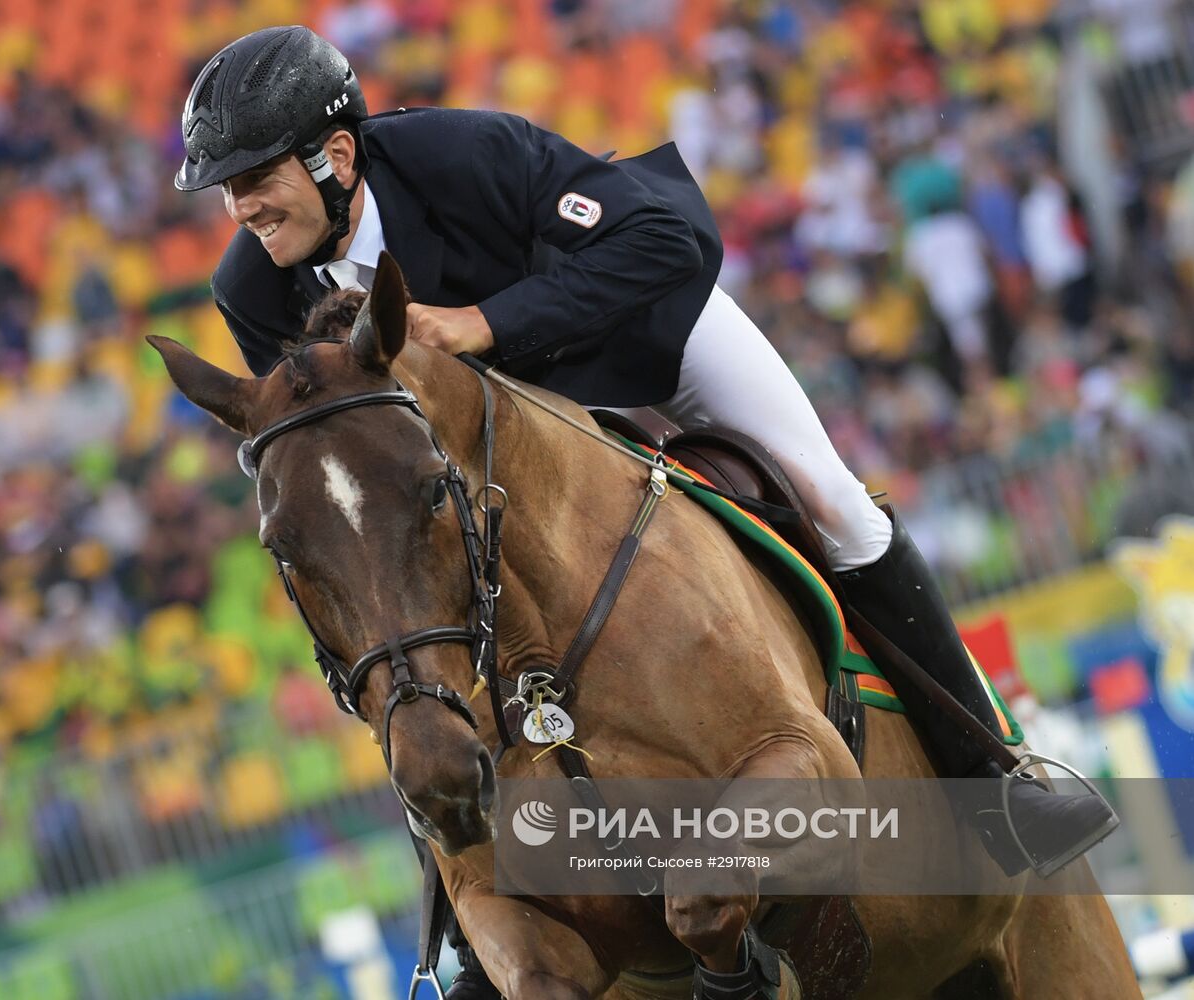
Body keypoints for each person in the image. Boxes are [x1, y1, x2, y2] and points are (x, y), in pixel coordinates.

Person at [176, 25, 1116, 997]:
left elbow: (667, 239)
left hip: (650, 347)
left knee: (833, 501)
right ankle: (467, 926)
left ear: (334, 157)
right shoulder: (254, 290)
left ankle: (994, 773)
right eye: (224, 186)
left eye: (253, 176)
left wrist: (486, 325)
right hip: (513, 456)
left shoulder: (463, 156)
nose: (238, 205)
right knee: (416, 642)